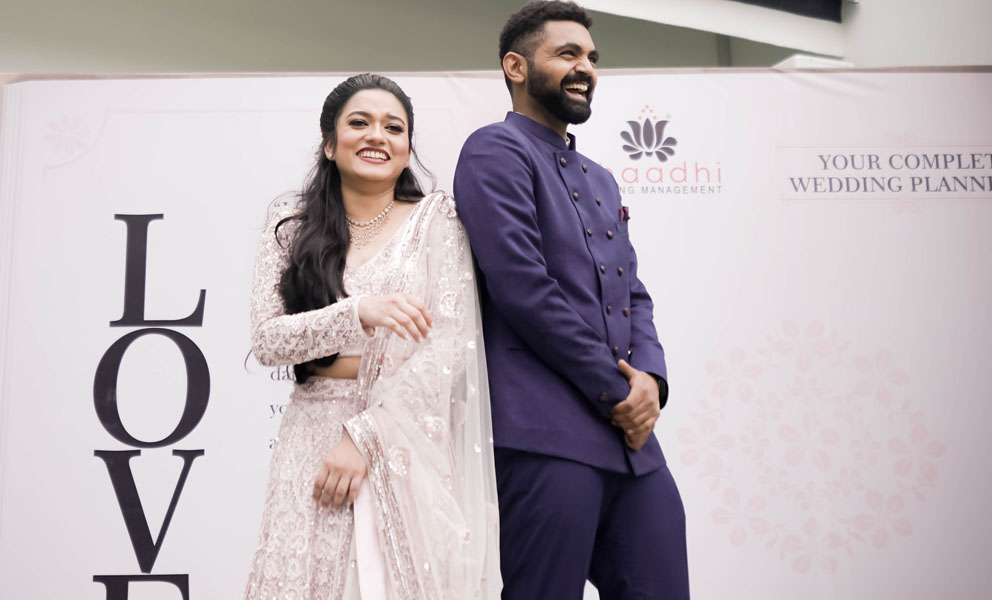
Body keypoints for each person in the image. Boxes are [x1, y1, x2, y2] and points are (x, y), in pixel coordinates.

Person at [453, 2, 689, 599]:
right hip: (545, 433)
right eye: (567, 54)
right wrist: (619, 392)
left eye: (591, 57)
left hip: (632, 444)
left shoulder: (601, 176)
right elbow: (523, 288)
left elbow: (633, 292)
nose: (585, 67)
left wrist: (652, 381)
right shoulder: (494, 150)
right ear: (516, 67)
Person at [245, 73, 501, 600]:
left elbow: (449, 346)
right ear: (330, 144)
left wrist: (365, 435)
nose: (376, 136)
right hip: (310, 437)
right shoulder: (291, 224)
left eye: (393, 127)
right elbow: (269, 341)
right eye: (359, 123)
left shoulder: (437, 220)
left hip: (403, 436)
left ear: (407, 150)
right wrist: (358, 312)